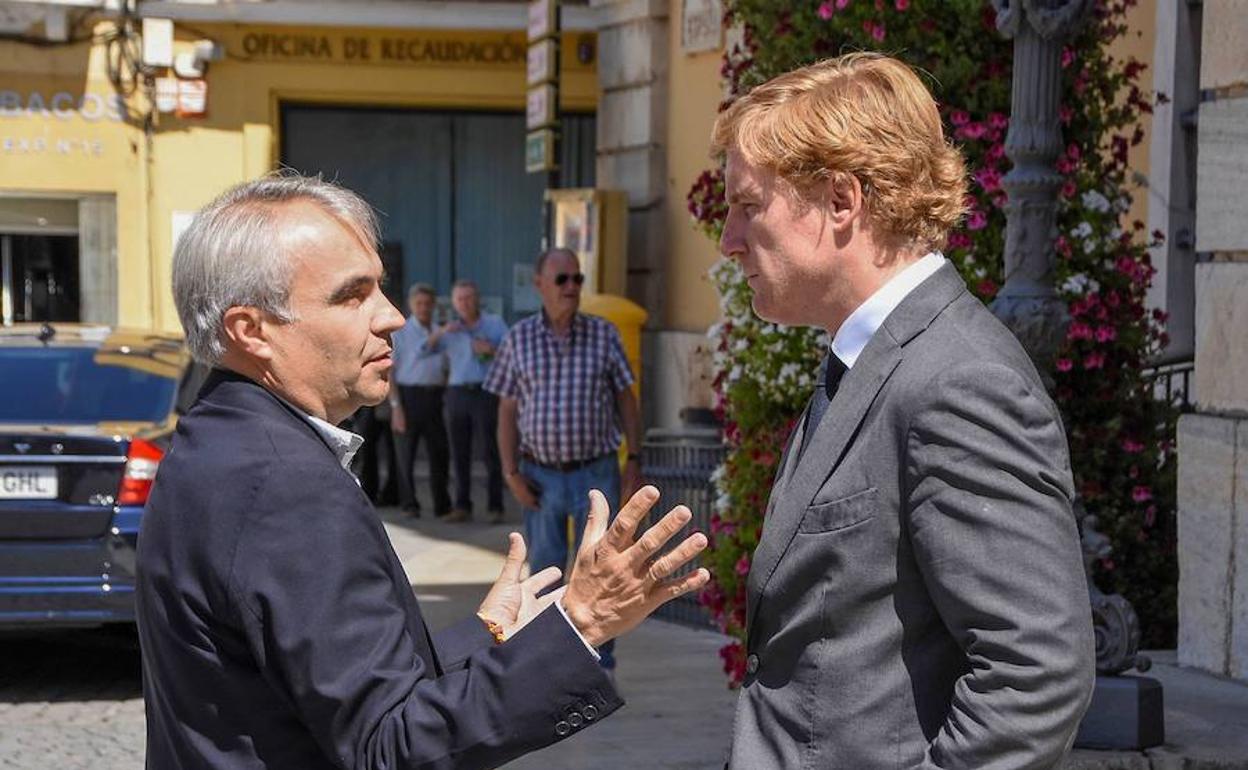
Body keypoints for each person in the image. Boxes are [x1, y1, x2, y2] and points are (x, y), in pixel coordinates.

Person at [136, 174, 710, 769]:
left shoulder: (213, 437)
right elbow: (390, 747)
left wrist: (488, 633)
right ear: (251, 331)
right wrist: (582, 622)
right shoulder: (286, 484)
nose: (392, 317)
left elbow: (343, 682)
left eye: (379, 288)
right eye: (351, 296)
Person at [713, 53, 1095, 768]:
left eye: (748, 206)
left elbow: (1037, 674)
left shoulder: (959, 380)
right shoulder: (872, 356)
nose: (730, 240)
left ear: (841, 201)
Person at [485, 247, 643, 675]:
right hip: (540, 477)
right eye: (562, 279)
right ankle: (552, 664)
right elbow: (506, 411)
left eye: (577, 279)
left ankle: (600, 665)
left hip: (597, 472)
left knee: (601, 570)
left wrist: (635, 457)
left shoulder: (604, 334)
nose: (572, 287)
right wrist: (511, 472)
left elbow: (626, 400)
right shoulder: (518, 338)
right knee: (547, 572)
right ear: (540, 284)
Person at [425, 280, 508, 523]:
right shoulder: (450, 329)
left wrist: (491, 350)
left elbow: (513, 354)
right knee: (459, 451)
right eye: (460, 299)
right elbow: (425, 350)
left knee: (491, 450)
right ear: (454, 303)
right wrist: (441, 331)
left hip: (486, 391)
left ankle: (495, 506)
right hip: (457, 393)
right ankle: (462, 505)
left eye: (469, 298)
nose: (465, 303)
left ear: (478, 299)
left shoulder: (494, 323)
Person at [389, 282, 452, 518]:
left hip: (435, 396)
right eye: (419, 303)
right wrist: (396, 407)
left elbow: (446, 365)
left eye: (427, 304)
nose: (424, 308)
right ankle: (409, 504)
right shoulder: (401, 333)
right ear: (411, 305)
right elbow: (390, 372)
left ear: (433, 305)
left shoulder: (440, 331)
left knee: (440, 453)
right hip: (409, 397)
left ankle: (442, 505)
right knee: (406, 455)